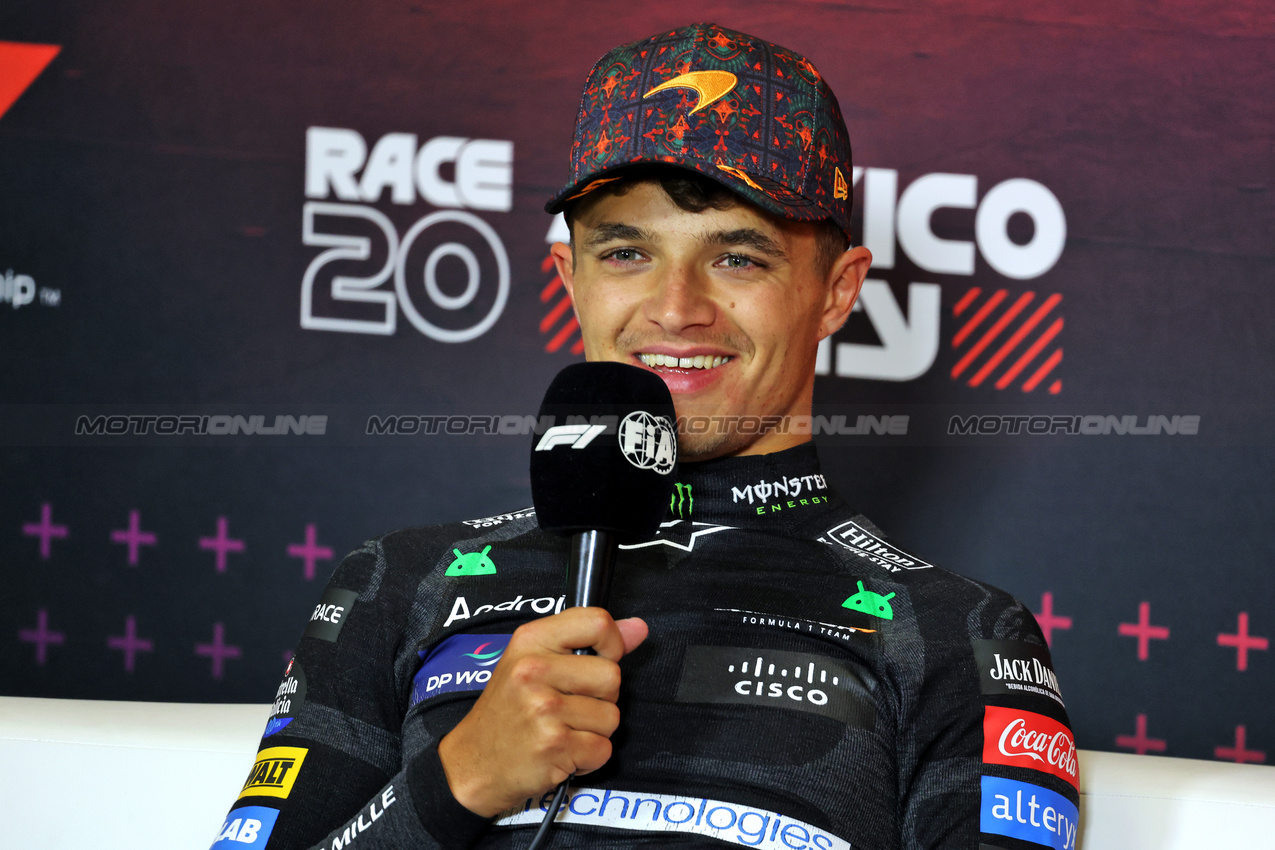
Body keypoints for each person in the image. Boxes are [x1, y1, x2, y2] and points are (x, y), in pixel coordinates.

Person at [212, 22, 1079, 850]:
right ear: (570, 277)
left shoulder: (958, 633)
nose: (675, 308)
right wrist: (460, 778)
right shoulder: (399, 583)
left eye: (738, 256)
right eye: (627, 253)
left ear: (836, 292)